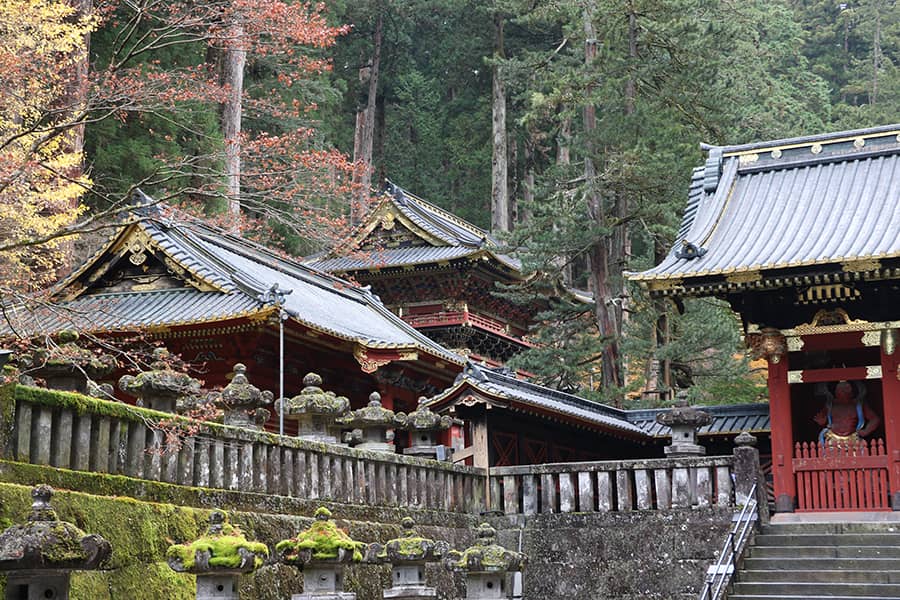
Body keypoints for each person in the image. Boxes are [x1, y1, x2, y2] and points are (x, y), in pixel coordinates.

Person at [813, 380, 880, 445]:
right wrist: (822, 421)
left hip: (853, 438)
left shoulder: (858, 405)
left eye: (846, 389)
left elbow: (874, 419)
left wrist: (866, 431)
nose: (843, 392)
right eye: (840, 390)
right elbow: (822, 418)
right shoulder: (830, 405)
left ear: (852, 391)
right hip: (833, 438)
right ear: (835, 392)